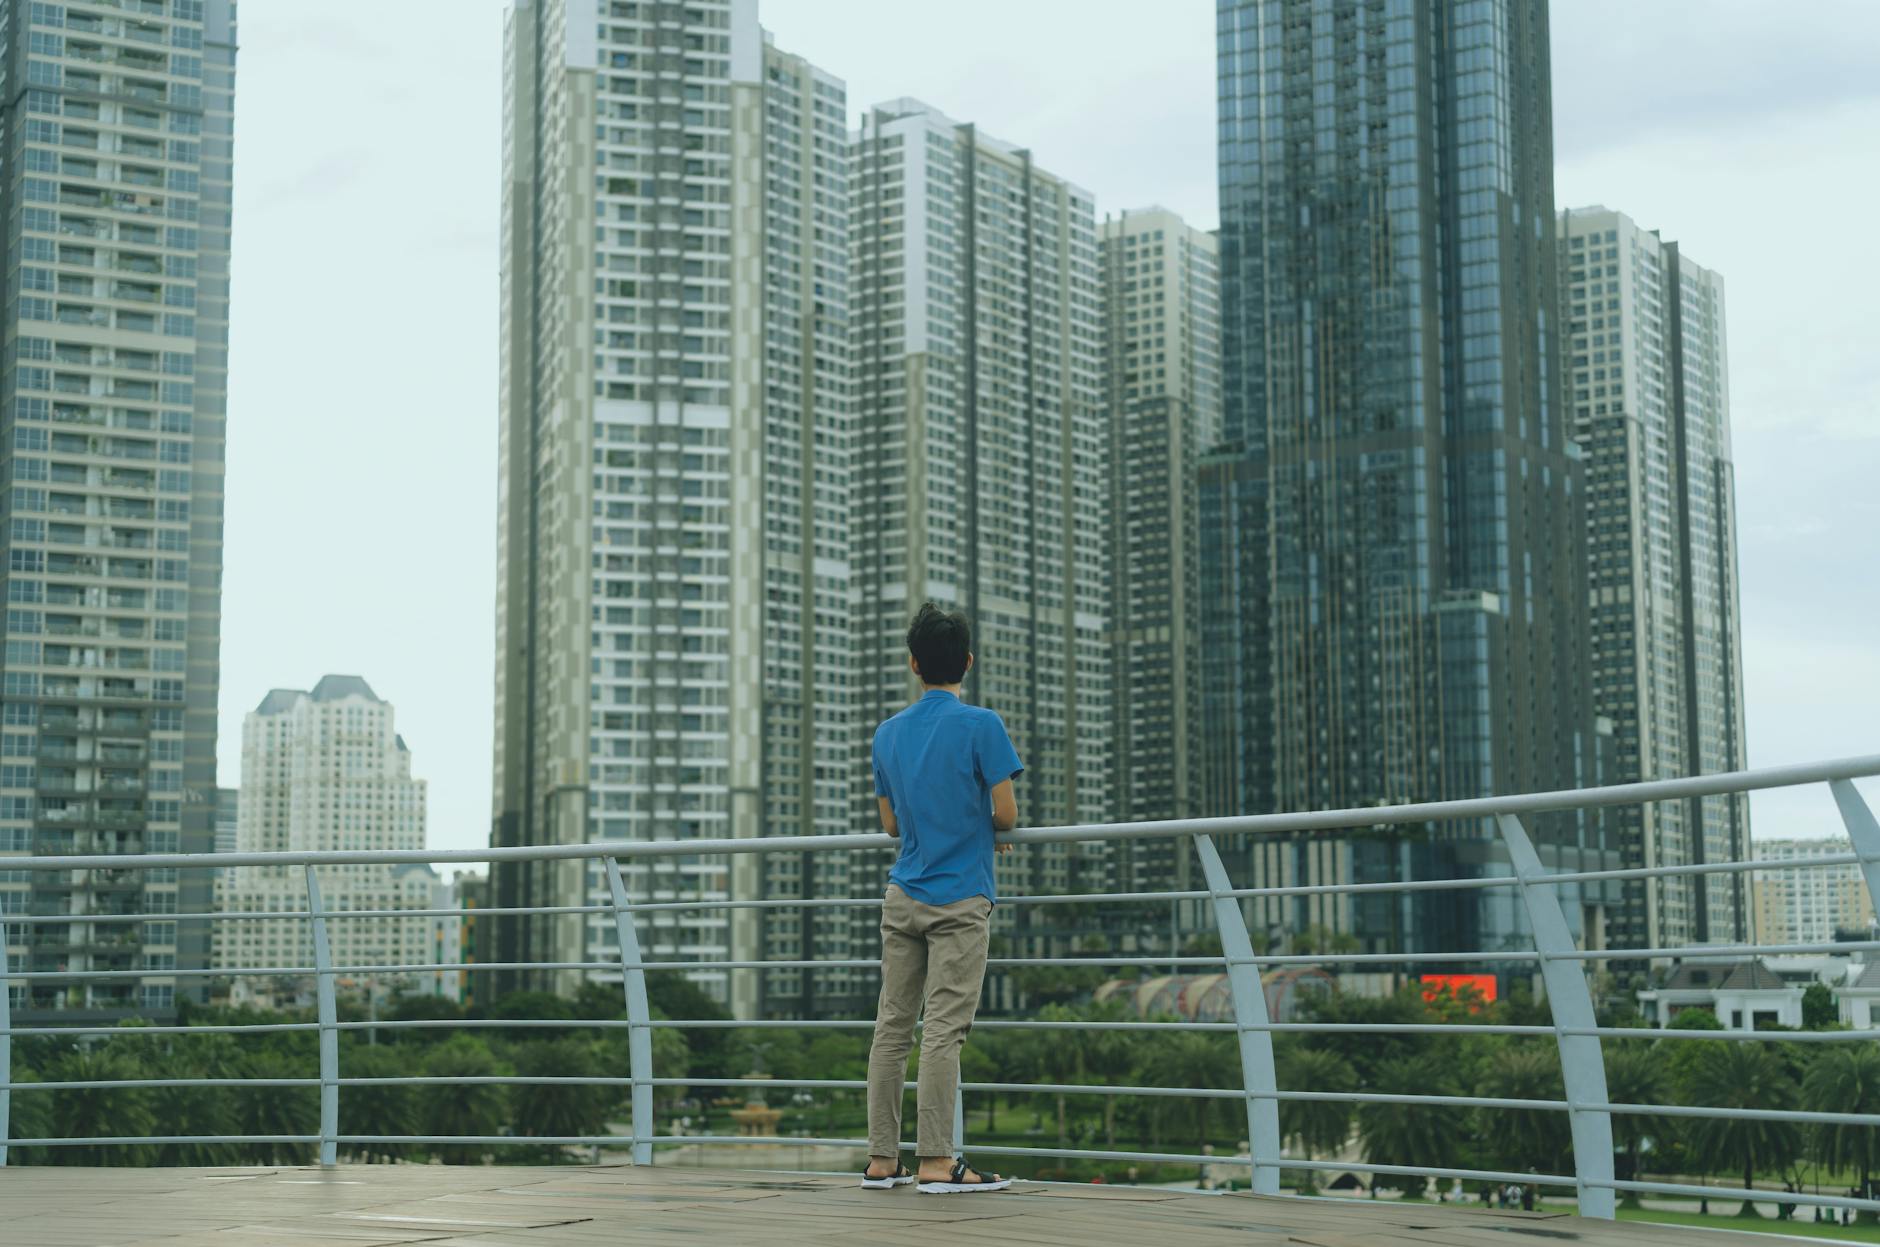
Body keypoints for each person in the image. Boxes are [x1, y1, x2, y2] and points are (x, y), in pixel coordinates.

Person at [860, 603, 1021, 1195]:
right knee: (944, 1032)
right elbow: (1005, 813)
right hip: (960, 901)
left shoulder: (887, 733)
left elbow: (892, 827)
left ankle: (881, 1161)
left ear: (913, 665)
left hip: (903, 895)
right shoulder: (983, 725)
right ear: (968, 664)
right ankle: (935, 1162)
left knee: (892, 1029)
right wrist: (983, 828)